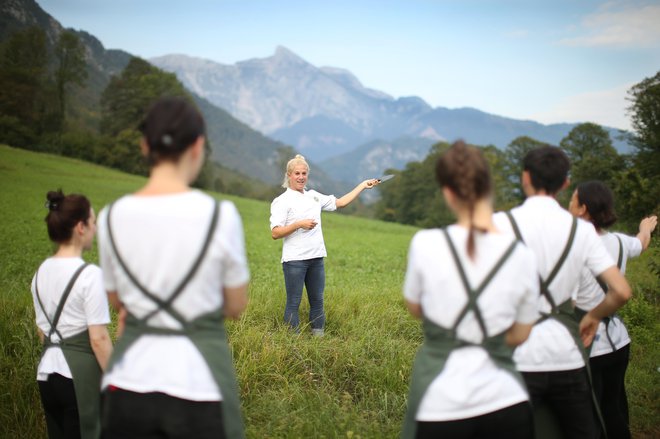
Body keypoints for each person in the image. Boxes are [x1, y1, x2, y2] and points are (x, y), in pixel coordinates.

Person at [97, 97, 250, 438]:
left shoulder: (110, 217)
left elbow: (118, 302)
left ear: (144, 145)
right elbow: (236, 305)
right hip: (197, 384)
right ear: (198, 146)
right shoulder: (220, 216)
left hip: (127, 383)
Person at [401, 141, 539, 439]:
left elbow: (415, 308)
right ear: (489, 186)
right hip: (507, 400)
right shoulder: (522, 255)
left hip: (440, 403)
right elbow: (521, 334)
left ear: (448, 192)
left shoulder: (425, 244)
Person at [492, 146, 632, 439]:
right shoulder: (581, 231)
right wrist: (594, 316)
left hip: (518, 352)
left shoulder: (501, 224)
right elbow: (620, 291)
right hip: (567, 353)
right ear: (566, 183)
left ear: (525, 178)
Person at [569, 180, 657, 439]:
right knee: (614, 407)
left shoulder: (572, 247)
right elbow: (641, 243)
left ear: (583, 208)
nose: (569, 205)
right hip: (619, 340)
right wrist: (645, 227)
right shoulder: (619, 242)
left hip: (587, 342)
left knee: (590, 415)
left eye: (573, 200)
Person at [31, 190, 112, 439]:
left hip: (47, 375)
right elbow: (98, 339)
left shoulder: (40, 272)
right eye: (93, 222)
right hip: (79, 378)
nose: (95, 229)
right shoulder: (90, 276)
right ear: (80, 227)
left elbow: (42, 331)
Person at [269, 154, 379, 336]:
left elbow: (340, 203)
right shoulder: (281, 201)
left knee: (317, 301)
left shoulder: (313, 196)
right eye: (297, 173)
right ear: (289, 175)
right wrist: (299, 224)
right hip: (295, 261)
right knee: (293, 303)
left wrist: (362, 185)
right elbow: (275, 232)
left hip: (316, 258)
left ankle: (318, 341)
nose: (301, 177)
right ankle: (292, 344)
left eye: (304, 173)